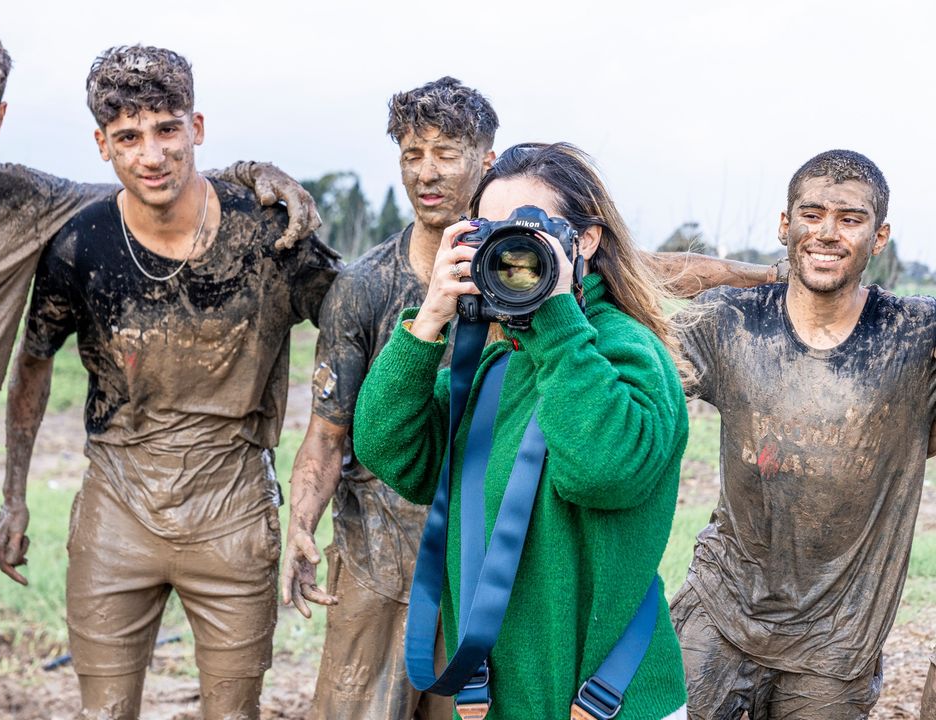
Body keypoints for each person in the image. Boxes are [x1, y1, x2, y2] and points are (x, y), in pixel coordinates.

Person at [0, 13, 318, 720]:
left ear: (1, 116)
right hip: (74, 497)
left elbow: (145, 185)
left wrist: (248, 174)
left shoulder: (18, 205)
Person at [0, 45, 340, 720]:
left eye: (167, 129)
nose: (152, 154)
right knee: (104, 710)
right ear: (103, 145)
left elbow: (351, 321)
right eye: (128, 137)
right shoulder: (81, 243)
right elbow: (33, 361)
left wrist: (322, 469)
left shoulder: (266, 229)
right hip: (118, 503)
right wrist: (12, 499)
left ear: (196, 127)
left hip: (231, 502)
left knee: (233, 711)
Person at [353, 142, 691, 719]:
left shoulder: (628, 350)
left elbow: (603, 471)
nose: (512, 248)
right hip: (503, 701)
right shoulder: (497, 361)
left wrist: (558, 316)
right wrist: (431, 316)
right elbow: (392, 449)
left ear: (585, 240)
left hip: (614, 702)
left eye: (531, 229)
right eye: (490, 230)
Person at [672, 149, 936, 718]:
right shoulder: (731, 319)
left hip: (838, 638)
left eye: (850, 219)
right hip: (722, 604)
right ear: (784, 225)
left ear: (880, 236)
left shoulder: (915, 338)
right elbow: (626, 284)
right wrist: (752, 272)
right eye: (811, 215)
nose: (828, 233)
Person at [281, 76, 494, 720]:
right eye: (411, 153)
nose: (426, 172)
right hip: (374, 549)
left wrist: (763, 273)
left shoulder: (523, 273)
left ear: (486, 158)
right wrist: (299, 525)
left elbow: (641, 265)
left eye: (445, 152)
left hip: (483, 552)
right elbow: (326, 432)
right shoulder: (363, 286)